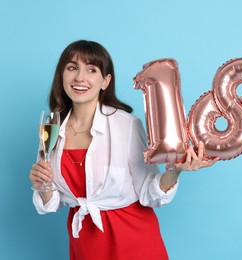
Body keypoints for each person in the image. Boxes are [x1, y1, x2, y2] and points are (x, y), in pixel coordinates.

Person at [29, 40, 218, 260]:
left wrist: (175, 171)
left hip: (134, 243)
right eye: (72, 68)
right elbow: (51, 202)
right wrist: (41, 184)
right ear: (62, 76)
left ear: (105, 81)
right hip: (86, 245)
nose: (80, 77)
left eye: (91, 70)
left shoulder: (126, 125)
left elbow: (149, 192)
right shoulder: (51, 129)